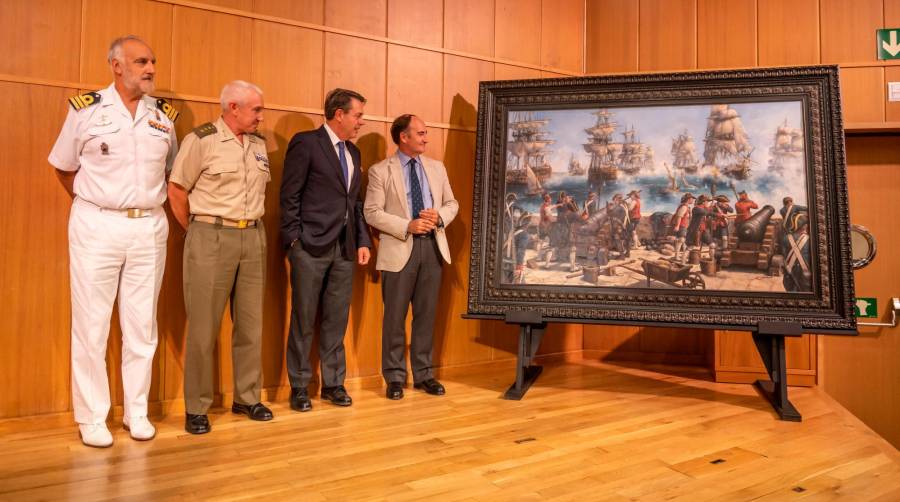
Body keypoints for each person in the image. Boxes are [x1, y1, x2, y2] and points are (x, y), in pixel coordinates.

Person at [48, 35, 177, 447]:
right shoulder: (85, 111)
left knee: (142, 325)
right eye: (142, 61)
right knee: (92, 325)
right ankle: (92, 417)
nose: (151, 68)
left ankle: (136, 412)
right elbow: (65, 168)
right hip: (97, 225)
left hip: (149, 227)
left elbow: (170, 171)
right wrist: (100, 204)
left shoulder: (164, 117)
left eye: (153, 61)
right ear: (116, 66)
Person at [167, 80, 273, 434]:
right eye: (256, 109)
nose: (261, 116)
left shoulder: (258, 145)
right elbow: (177, 190)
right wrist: (198, 231)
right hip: (210, 236)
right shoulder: (202, 140)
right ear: (233, 108)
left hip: (253, 236)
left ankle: (246, 397)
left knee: (251, 324)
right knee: (202, 327)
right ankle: (196, 407)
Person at [280, 88, 372, 412]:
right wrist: (293, 242)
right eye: (358, 115)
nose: (362, 121)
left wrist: (362, 240)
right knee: (304, 319)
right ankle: (300, 387)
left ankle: (334, 384)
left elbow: (356, 203)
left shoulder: (355, 153)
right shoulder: (306, 143)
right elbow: (289, 196)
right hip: (309, 247)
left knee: (336, 319)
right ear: (339, 114)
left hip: (344, 249)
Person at [364, 114, 459, 399]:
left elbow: (452, 203)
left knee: (426, 315)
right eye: (420, 133)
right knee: (394, 317)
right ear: (403, 137)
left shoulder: (437, 168)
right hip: (399, 247)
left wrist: (439, 216)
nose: (426, 138)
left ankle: (424, 374)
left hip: (432, 247)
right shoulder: (380, 171)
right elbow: (371, 212)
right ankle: (394, 377)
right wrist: (407, 225)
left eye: (426, 132)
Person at [671, 193, 694, 262]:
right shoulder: (684, 207)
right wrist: (677, 226)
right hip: (682, 226)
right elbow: (679, 216)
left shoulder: (687, 207)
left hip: (685, 226)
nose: (692, 200)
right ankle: (676, 256)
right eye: (692, 199)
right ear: (688, 199)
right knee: (681, 240)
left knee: (684, 241)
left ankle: (684, 256)